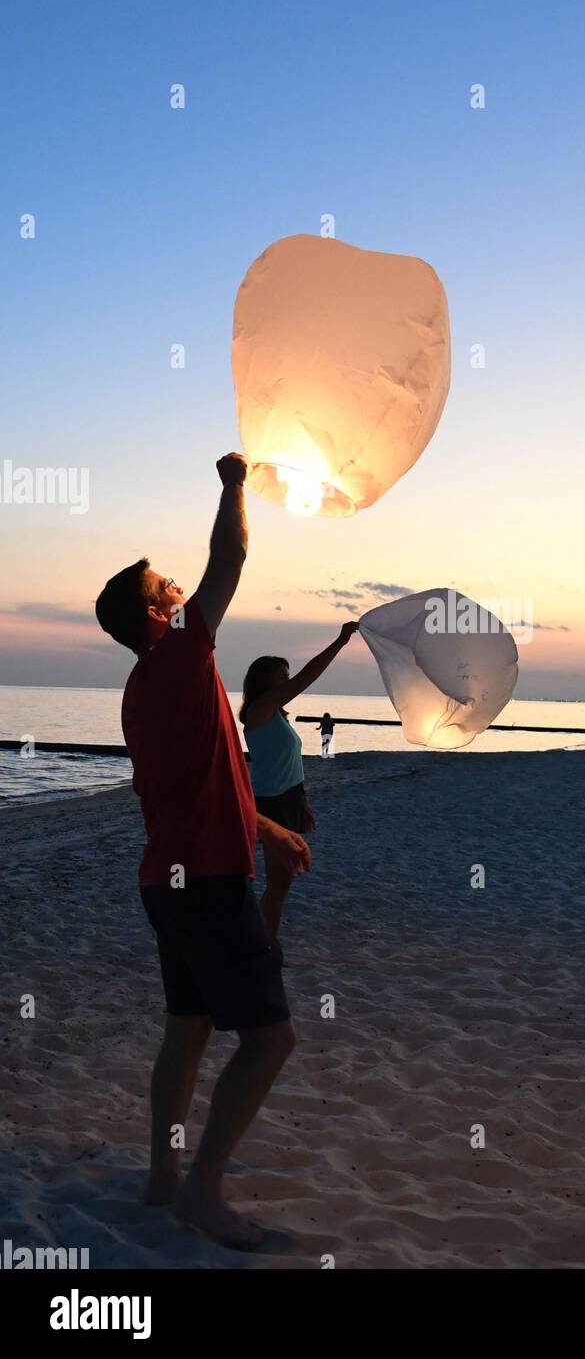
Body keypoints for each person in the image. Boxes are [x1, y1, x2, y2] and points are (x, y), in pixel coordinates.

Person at [95, 451, 309, 1249]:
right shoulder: (178, 655)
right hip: (209, 885)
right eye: (167, 589)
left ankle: (162, 1176)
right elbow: (233, 556)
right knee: (269, 1038)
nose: (181, 590)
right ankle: (203, 1192)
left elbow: (200, 788)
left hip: (169, 881)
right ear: (157, 615)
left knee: (187, 1029)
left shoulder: (145, 687)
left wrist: (268, 825)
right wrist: (232, 485)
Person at [240, 629, 357, 933]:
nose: (288, 683)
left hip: (288, 799)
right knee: (279, 886)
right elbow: (307, 677)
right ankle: (265, 945)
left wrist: (302, 800)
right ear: (264, 683)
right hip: (272, 804)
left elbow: (288, 764)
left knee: (282, 885)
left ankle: (264, 941)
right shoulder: (259, 711)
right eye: (281, 678)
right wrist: (341, 642)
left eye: (286, 677)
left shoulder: (277, 717)